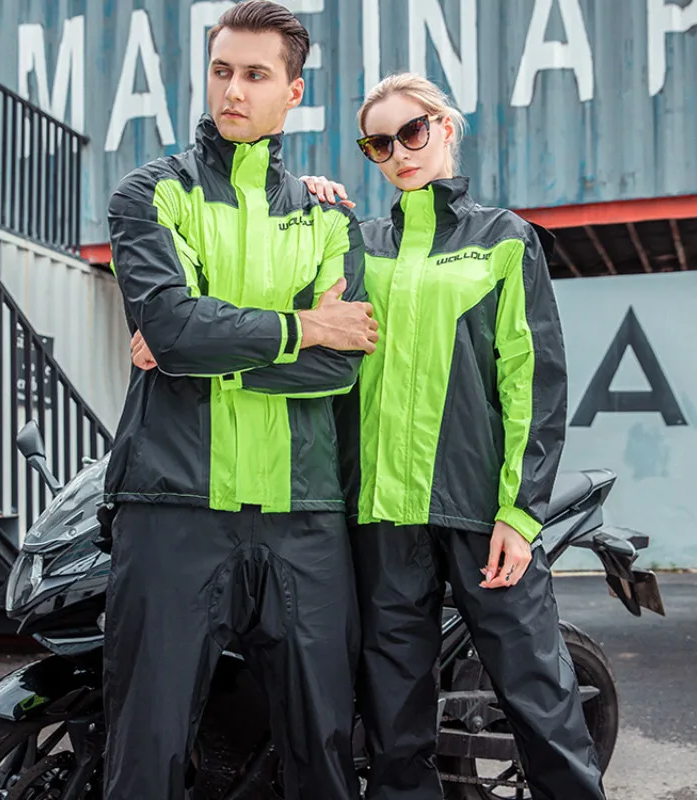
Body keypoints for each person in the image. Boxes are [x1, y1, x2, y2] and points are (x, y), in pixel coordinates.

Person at [300, 74, 607, 800]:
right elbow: (304, 321)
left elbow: (533, 382)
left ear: (443, 126)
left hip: (479, 511)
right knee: (393, 717)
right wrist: (297, 203)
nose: (398, 153)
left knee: (537, 693)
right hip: (381, 516)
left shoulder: (503, 238)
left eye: (411, 132)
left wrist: (520, 514)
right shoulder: (357, 245)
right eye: (378, 144)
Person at [103, 3, 378, 798]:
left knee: (324, 754)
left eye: (255, 75)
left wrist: (203, 350)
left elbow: (340, 367)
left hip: (304, 518)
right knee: (146, 754)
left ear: (292, 92)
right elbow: (172, 328)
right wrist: (303, 326)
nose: (233, 90)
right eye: (222, 70)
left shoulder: (328, 216)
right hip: (174, 507)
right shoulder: (151, 193)